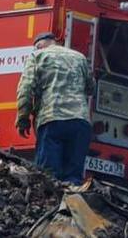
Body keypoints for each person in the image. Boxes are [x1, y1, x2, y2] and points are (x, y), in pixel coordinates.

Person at [15, 32, 95, 184]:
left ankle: (49, 205)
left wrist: (23, 119)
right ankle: (70, 205)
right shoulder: (79, 57)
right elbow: (91, 88)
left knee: (47, 175)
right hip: (80, 121)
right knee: (73, 177)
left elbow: (25, 90)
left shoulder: (37, 56)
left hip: (52, 119)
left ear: (39, 45)